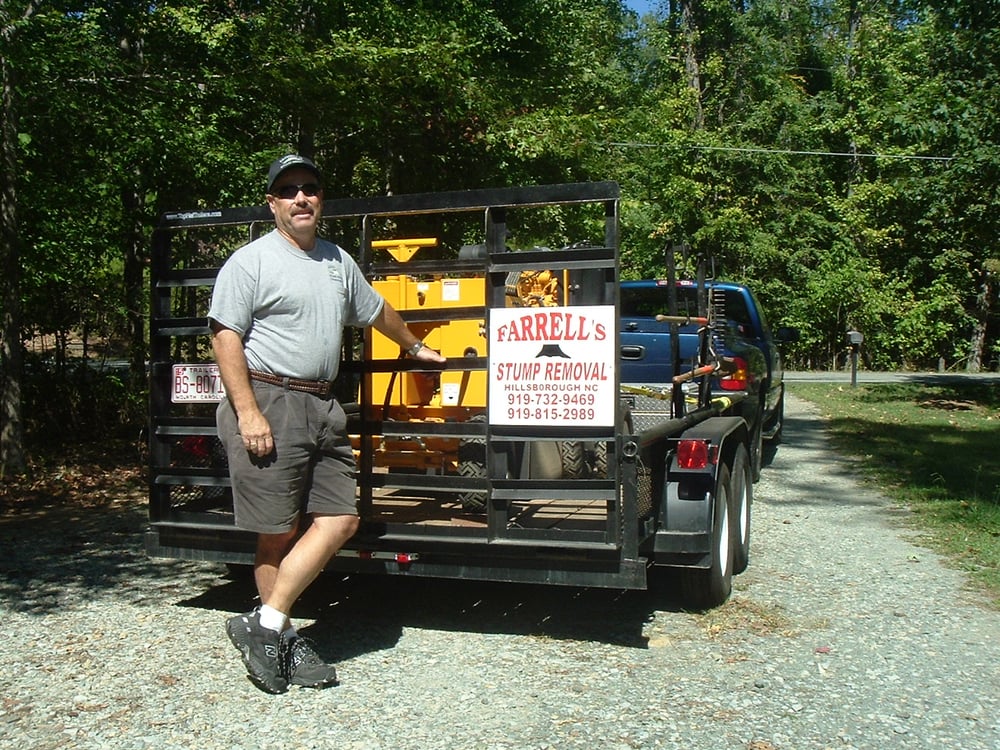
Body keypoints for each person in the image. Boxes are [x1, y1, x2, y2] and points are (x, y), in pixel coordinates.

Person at [208, 154, 446, 693]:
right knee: (277, 531)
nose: (300, 198)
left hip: (323, 406)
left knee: (340, 520)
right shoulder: (250, 263)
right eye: (288, 190)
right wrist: (248, 412)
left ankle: (264, 625)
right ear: (272, 203)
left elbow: (376, 309)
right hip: (269, 400)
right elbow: (225, 339)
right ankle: (283, 637)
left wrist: (413, 344)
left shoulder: (337, 262)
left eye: (309, 188)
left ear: (320, 199)